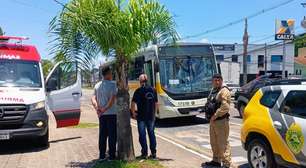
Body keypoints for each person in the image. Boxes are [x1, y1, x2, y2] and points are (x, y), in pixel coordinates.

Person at [204, 74, 232, 168]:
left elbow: (225, 107)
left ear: (221, 80)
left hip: (221, 121)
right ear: (212, 81)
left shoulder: (224, 91)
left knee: (222, 143)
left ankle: (226, 163)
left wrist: (215, 115)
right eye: (215, 80)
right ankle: (216, 160)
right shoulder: (213, 90)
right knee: (214, 142)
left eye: (218, 80)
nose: (216, 82)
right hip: (213, 121)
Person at [91, 66, 117, 162]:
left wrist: (97, 108)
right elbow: (112, 99)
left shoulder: (97, 85)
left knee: (102, 135)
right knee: (112, 135)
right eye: (111, 73)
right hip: (111, 114)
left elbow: (93, 98)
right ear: (108, 73)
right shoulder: (113, 84)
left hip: (101, 115)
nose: (111, 75)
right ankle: (111, 156)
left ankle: (102, 156)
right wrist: (104, 109)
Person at [131, 74, 158, 159]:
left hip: (141, 117)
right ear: (147, 80)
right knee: (151, 134)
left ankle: (144, 153)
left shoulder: (138, 91)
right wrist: (154, 113)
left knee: (142, 135)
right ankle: (153, 153)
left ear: (140, 81)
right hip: (151, 116)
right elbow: (156, 103)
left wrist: (133, 113)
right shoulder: (153, 90)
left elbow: (133, 103)